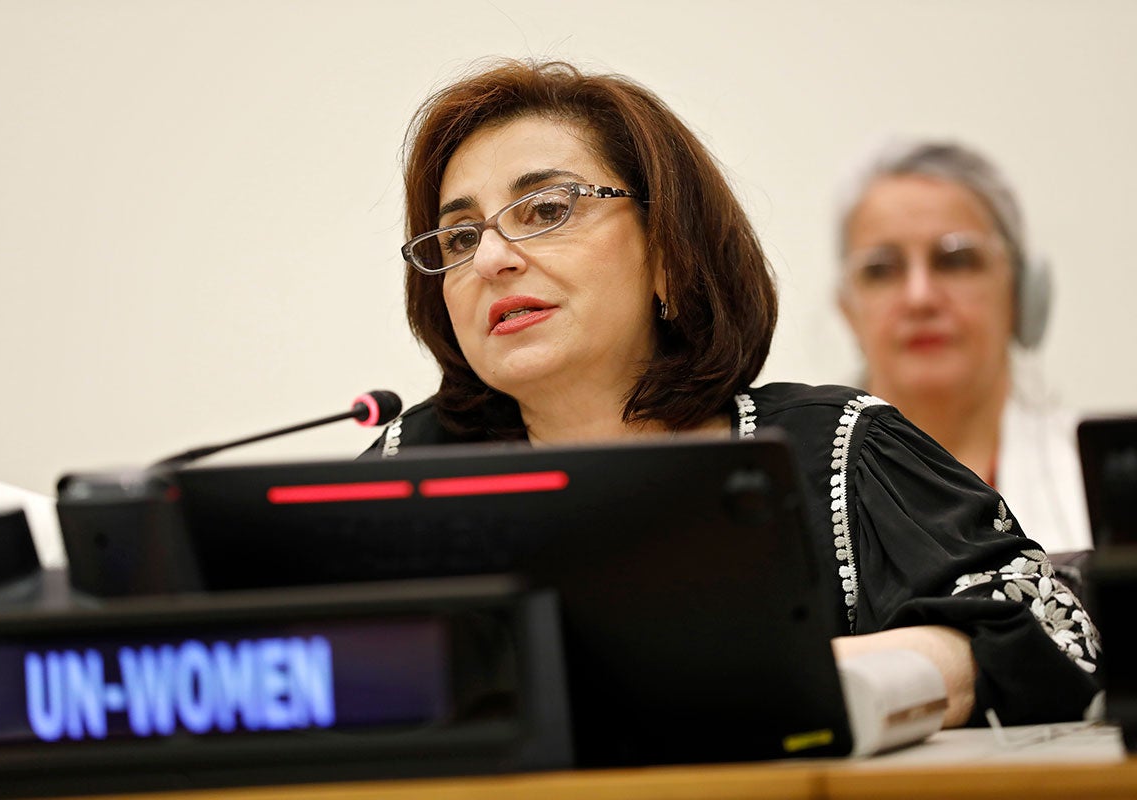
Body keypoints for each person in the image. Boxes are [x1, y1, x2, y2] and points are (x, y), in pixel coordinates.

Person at [366, 59, 1099, 729]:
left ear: (668, 253)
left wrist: (790, 680)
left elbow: (1051, 637)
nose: (491, 257)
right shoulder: (407, 469)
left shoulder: (836, 450)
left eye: (546, 209)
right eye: (459, 238)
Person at [834, 140, 1091, 555]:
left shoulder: (1094, 480)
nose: (920, 298)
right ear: (847, 308)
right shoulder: (796, 490)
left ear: (1023, 293)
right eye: (881, 269)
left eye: (955, 261)